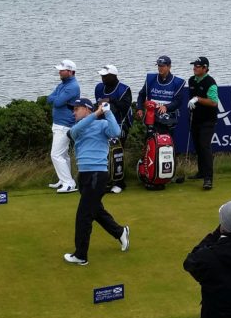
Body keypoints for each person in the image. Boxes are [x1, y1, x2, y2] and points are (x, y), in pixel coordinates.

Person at [63, 98, 130, 266]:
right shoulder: (77, 128)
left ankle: (81, 255)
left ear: (87, 109)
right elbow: (72, 133)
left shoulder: (102, 126)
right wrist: (96, 114)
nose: (74, 112)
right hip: (84, 175)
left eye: (77, 109)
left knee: (83, 216)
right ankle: (120, 232)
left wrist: (107, 112)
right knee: (96, 210)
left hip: (97, 174)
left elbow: (115, 132)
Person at [94, 64, 133, 193]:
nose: (102, 78)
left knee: (117, 154)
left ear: (113, 76)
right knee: (104, 154)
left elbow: (125, 107)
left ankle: (120, 182)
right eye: (102, 75)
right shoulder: (99, 88)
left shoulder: (124, 89)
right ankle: (107, 180)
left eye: (105, 76)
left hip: (120, 125)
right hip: (103, 125)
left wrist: (112, 100)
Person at [46, 59, 80, 193]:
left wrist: (57, 98)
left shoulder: (72, 86)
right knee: (63, 155)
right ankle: (64, 179)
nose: (59, 72)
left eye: (62, 70)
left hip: (65, 124)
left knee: (55, 154)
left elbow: (57, 102)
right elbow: (50, 98)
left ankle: (69, 183)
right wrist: (56, 98)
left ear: (70, 72)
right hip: (58, 123)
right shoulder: (62, 85)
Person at [187, 56, 218, 190]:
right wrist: (193, 103)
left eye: (198, 66)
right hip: (196, 119)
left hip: (208, 120)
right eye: (194, 66)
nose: (194, 68)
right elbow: (192, 98)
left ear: (205, 68)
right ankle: (201, 172)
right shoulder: (191, 80)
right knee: (198, 147)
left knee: (205, 147)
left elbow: (213, 102)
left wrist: (197, 99)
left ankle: (208, 178)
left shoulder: (210, 83)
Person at [135, 55, 186, 136]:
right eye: (159, 65)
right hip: (151, 116)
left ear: (169, 67)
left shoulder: (177, 82)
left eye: (163, 66)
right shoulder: (150, 79)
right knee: (149, 141)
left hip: (168, 118)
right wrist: (139, 108)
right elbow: (141, 95)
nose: (160, 68)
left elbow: (178, 102)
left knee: (166, 142)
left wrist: (166, 107)